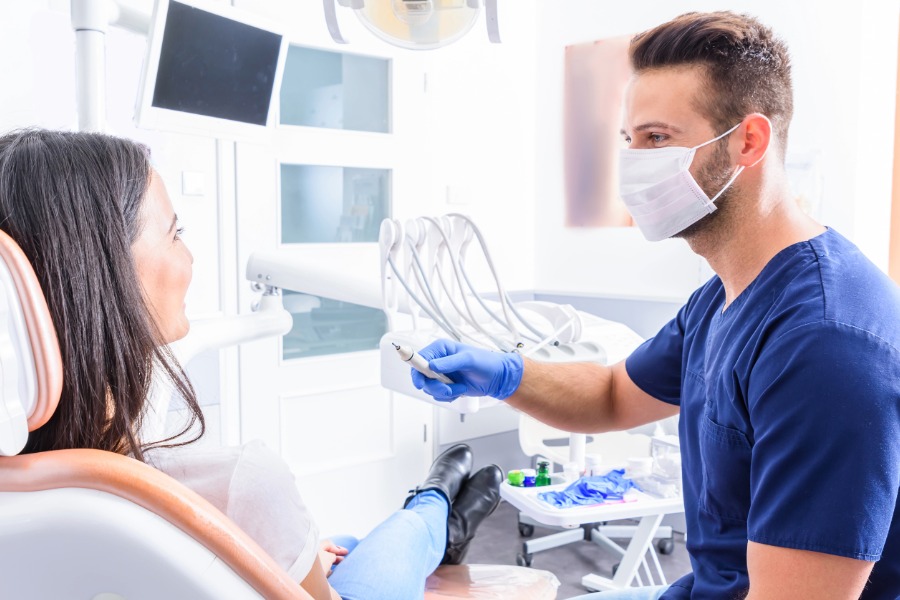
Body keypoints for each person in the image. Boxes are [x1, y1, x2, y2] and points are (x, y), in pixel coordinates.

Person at [411, 11, 899, 600]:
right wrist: (503, 375)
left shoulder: (824, 341)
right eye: (630, 141)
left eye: (658, 138)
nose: (633, 165)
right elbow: (614, 394)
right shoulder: (722, 296)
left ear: (748, 141)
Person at [0, 128, 503, 600]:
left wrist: (292, 554)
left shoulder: (25, 494)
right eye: (175, 233)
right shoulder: (242, 483)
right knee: (392, 542)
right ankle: (435, 504)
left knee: (343, 543)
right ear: (101, 273)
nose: (190, 256)